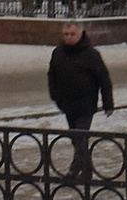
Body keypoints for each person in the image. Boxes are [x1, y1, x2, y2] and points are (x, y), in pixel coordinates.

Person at [47, 21, 114, 177]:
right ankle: (83, 168)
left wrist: (108, 104)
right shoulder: (58, 52)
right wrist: (55, 96)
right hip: (67, 104)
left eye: (72, 34)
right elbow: (52, 75)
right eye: (66, 34)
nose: (69, 37)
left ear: (80, 34)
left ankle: (78, 169)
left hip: (86, 104)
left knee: (79, 136)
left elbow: (104, 79)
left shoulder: (91, 54)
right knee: (76, 138)